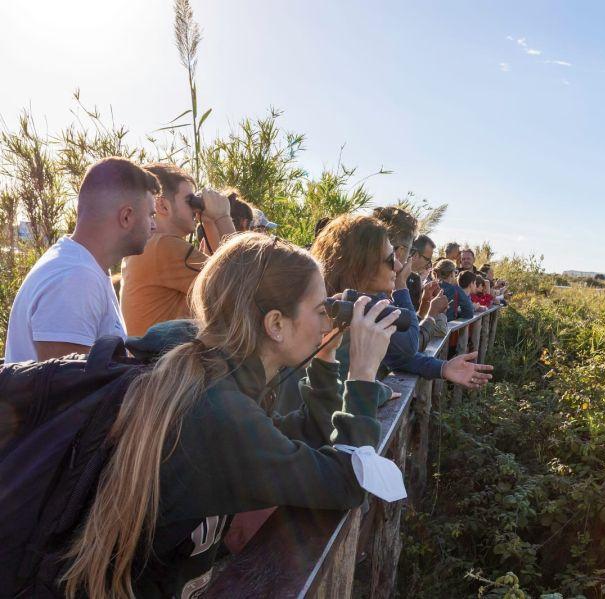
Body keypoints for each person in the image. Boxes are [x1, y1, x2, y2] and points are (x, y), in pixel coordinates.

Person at [61, 232, 398, 599]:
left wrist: (325, 358)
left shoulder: (212, 377)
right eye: (321, 311)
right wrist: (363, 374)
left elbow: (307, 437)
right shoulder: (218, 410)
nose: (326, 323)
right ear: (276, 324)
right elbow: (348, 482)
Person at [3, 157, 159, 363]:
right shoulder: (75, 279)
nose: (154, 225)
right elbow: (67, 390)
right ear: (126, 217)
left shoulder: (83, 267)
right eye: (150, 215)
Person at [311, 215, 492, 388]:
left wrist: (443, 368)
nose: (399, 266)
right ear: (362, 265)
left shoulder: (366, 303)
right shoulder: (337, 310)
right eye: (391, 259)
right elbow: (409, 345)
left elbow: (399, 356)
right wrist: (401, 286)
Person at [119, 163, 236, 337]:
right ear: (162, 206)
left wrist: (209, 222)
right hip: (167, 361)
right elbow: (243, 282)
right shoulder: (164, 247)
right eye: (190, 201)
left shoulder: (150, 246)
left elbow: (224, 276)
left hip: (158, 360)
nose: (195, 208)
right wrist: (223, 216)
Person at [406, 234, 436, 308]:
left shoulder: (416, 278)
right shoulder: (394, 274)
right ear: (415, 255)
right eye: (427, 259)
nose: (429, 264)